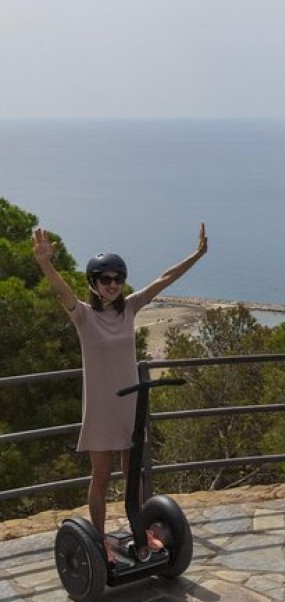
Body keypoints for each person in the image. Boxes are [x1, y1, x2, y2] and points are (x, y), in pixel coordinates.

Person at [32, 224, 208, 563]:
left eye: (117, 279)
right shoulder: (82, 315)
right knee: (100, 475)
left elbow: (164, 279)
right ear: (94, 283)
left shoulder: (129, 307)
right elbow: (61, 289)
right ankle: (99, 542)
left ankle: (141, 532)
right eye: (105, 279)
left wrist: (196, 255)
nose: (112, 285)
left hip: (130, 403)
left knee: (133, 475)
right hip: (101, 407)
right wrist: (45, 263)